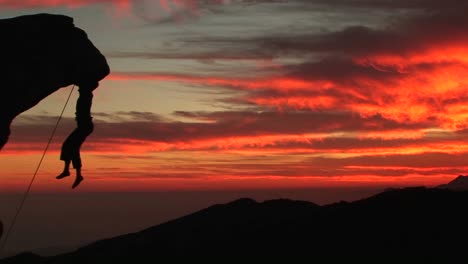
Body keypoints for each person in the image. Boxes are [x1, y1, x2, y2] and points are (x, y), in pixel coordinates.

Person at [56, 83, 97, 189]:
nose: (79, 90)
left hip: (85, 126)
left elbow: (87, 89)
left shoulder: (87, 95)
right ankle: (68, 171)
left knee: (72, 147)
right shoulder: (84, 95)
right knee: (68, 146)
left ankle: (75, 174)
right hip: (83, 126)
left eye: (81, 88)